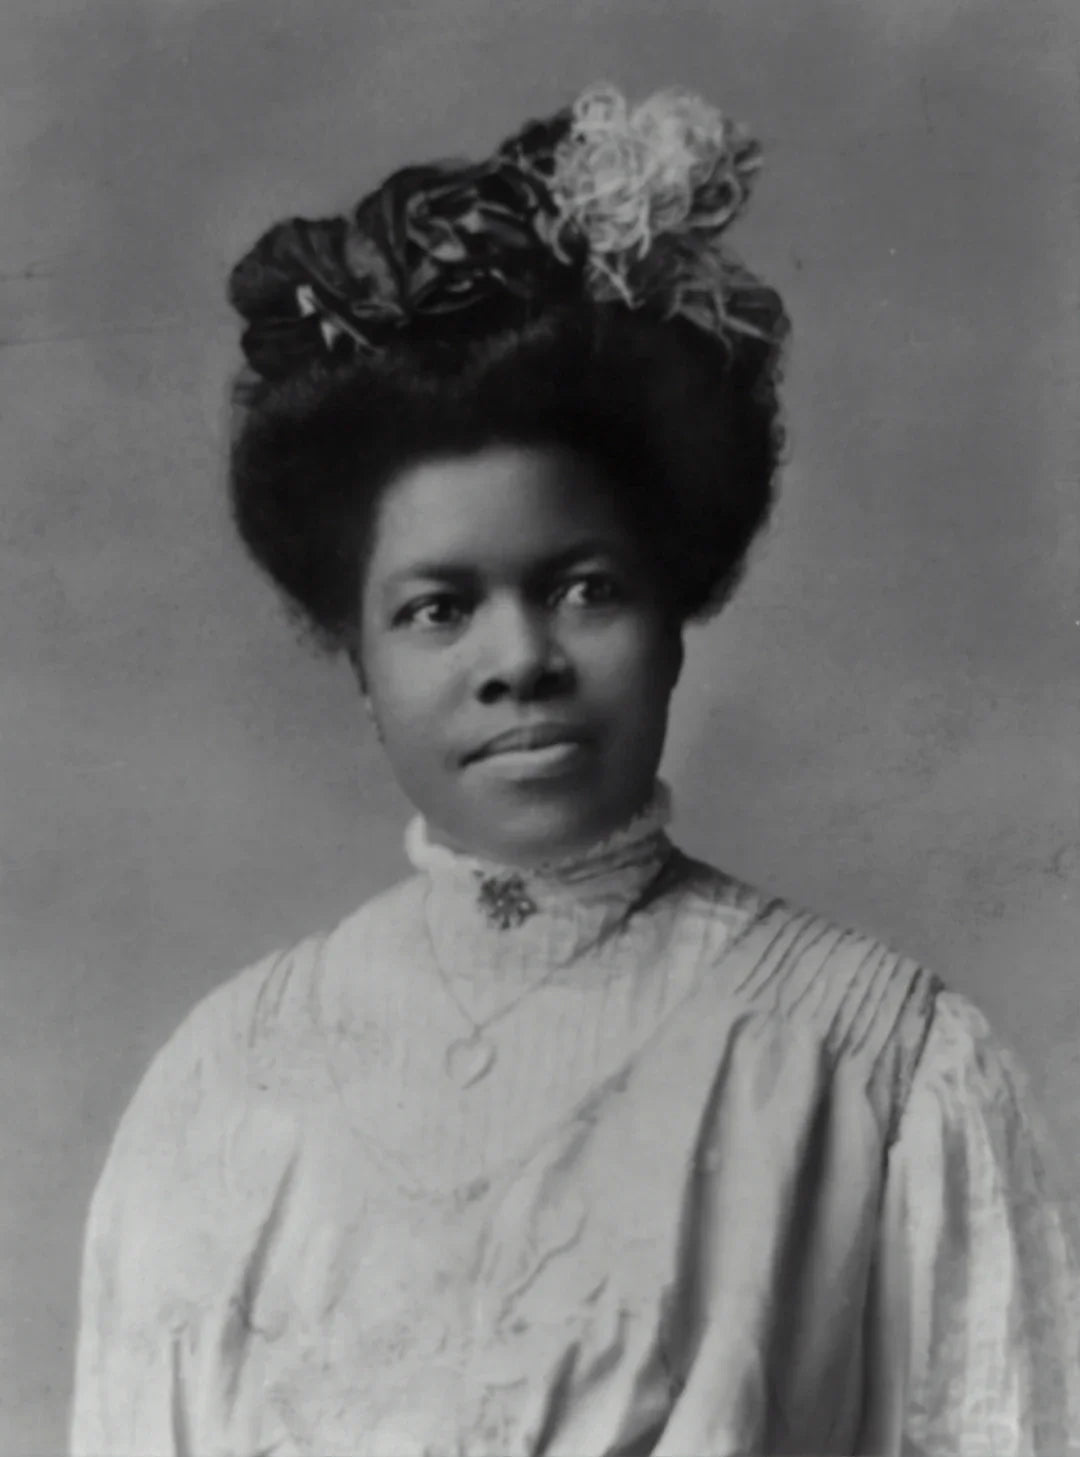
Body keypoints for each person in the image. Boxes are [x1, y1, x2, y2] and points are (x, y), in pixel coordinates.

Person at [70, 83, 1080, 1456]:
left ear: (676, 609)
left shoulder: (879, 1066)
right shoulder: (226, 1083)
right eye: (438, 608)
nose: (521, 660)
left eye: (586, 587)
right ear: (359, 658)